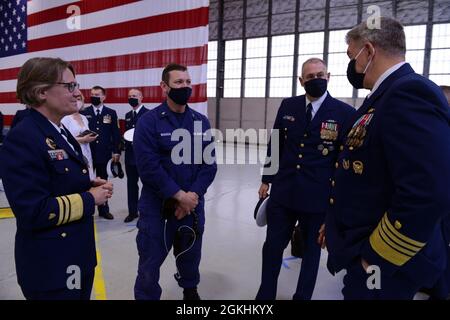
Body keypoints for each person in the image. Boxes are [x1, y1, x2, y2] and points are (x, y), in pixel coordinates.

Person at [320, 17, 450, 300]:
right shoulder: (382, 98)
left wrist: (375, 259)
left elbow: (428, 192)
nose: (352, 65)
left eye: (352, 56)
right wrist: (335, 224)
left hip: (387, 264)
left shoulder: (408, 93)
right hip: (365, 246)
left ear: (368, 51)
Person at [0, 57, 113, 300]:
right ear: (41, 92)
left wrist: (87, 183)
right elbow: (33, 211)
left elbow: (58, 179)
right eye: (70, 86)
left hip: (76, 258)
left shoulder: (58, 131)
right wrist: (90, 198)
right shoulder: (24, 138)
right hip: (50, 267)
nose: (78, 93)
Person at [256, 58, 355, 300]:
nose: (316, 80)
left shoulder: (344, 113)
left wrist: (337, 203)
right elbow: (276, 143)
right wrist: (267, 179)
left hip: (318, 198)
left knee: (311, 253)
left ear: (328, 76)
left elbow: (344, 162)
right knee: (272, 248)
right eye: (310, 77)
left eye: (320, 75)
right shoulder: (288, 106)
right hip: (284, 193)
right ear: (301, 81)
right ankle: (264, 297)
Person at [133, 63, 217, 300]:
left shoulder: (201, 122)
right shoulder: (149, 122)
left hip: (191, 206)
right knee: (150, 264)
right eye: (179, 82)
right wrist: (180, 196)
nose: (185, 87)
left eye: (188, 82)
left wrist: (191, 198)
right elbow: (149, 168)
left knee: (190, 256)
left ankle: (190, 292)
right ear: (164, 86)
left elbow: (209, 166)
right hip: (156, 208)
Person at [81, 86, 121, 220]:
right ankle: (87, 209)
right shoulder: (84, 112)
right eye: (92, 94)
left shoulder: (111, 113)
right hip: (88, 154)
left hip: (104, 153)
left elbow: (115, 133)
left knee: (103, 182)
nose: (94, 96)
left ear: (103, 97)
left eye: (97, 94)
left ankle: (104, 209)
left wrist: (116, 151)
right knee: (87, 182)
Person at [124, 88, 149, 223]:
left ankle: (146, 210)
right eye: (129, 96)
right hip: (130, 157)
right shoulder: (128, 114)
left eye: (134, 96)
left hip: (144, 157)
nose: (131, 98)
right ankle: (132, 212)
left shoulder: (148, 114)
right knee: (131, 185)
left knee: (148, 185)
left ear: (141, 97)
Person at [61, 92, 97, 181]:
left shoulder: (84, 118)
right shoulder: (66, 118)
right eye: (76, 99)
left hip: (86, 151)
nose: (77, 102)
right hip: (74, 152)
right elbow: (63, 140)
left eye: (79, 99)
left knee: (89, 177)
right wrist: (82, 139)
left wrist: (89, 137)